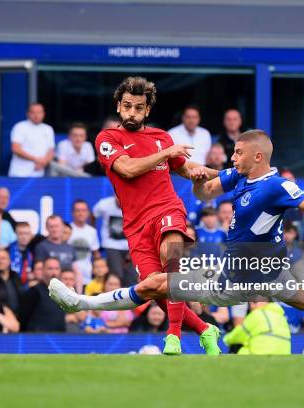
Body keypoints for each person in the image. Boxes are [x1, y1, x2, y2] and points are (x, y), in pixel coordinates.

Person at [50, 129, 304, 351]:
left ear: (258, 156)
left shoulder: (275, 185)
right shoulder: (240, 177)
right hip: (267, 267)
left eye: (237, 153)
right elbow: (205, 194)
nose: (231, 158)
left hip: (235, 278)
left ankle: (79, 303)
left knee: (154, 284)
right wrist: (197, 177)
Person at [90, 76, 219, 355]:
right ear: (118, 106)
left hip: (167, 208)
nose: (132, 113)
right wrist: (167, 154)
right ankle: (205, 329)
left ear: (147, 110)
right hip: (135, 226)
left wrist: (226, 175)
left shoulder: (162, 138)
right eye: (127, 106)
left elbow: (186, 168)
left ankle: (172, 337)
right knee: (155, 287)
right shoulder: (107, 138)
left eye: (139, 108)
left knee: (170, 257)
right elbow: (127, 169)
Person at [92, 195, 135, 286]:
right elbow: (93, 214)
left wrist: (133, 249)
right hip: (111, 245)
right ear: (114, 195)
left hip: (130, 246)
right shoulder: (104, 204)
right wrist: (93, 232)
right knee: (116, 275)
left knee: (131, 276)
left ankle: (130, 299)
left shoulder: (134, 204)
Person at [223, 300, 291, 355]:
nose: (251, 306)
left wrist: (226, 339)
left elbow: (237, 335)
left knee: (236, 346)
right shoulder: (281, 317)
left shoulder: (256, 315)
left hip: (259, 357)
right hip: (283, 355)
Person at [19, 257, 65, 332]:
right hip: (38, 340)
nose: (54, 272)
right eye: (50, 269)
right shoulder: (33, 292)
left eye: (57, 268)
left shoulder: (63, 292)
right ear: (42, 271)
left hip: (59, 339)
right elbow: (22, 319)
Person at [8, 102, 55, 177]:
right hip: (19, 173)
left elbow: (51, 151)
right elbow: (16, 149)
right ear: (28, 114)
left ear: (43, 113)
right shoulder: (20, 127)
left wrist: (43, 163)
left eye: (39, 112)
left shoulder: (48, 129)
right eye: (33, 112)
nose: (36, 115)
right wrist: (37, 160)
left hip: (40, 174)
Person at [68, 200, 100, 286]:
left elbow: (96, 255)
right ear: (72, 213)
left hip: (87, 278)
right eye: (77, 210)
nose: (80, 213)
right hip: (69, 279)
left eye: (83, 210)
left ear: (88, 213)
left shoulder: (92, 231)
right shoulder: (67, 229)